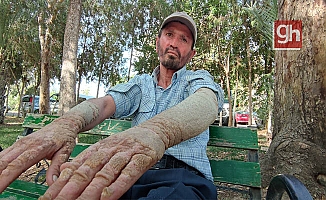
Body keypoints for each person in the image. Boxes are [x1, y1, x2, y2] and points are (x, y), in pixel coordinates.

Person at [0, 11, 224, 199]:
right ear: (158, 42)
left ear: (191, 54)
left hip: (184, 181)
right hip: (129, 176)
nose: (174, 43)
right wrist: (70, 122)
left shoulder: (197, 79)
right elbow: (106, 104)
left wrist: (158, 132)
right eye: (169, 35)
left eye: (184, 39)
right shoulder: (141, 85)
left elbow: (206, 102)